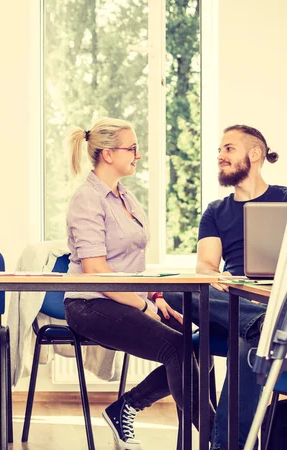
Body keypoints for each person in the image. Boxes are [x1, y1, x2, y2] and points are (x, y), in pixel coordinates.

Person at [63, 117, 214, 449]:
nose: (138, 155)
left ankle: (125, 407)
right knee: (175, 347)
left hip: (126, 299)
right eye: (132, 148)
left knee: (199, 345)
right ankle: (218, 438)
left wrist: (156, 297)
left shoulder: (125, 196)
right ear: (107, 154)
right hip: (90, 304)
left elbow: (133, 260)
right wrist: (143, 304)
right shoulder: (87, 199)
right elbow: (97, 272)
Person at [164, 124, 286, 450]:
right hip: (233, 299)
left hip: (279, 300)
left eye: (228, 149)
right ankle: (258, 325)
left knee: (246, 346)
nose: (220, 156)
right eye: (220, 150)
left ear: (255, 154)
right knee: (177, 289)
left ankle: (225, 447)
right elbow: (205, 264)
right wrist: (218, 277)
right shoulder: (216, 212)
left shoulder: (285, 199)